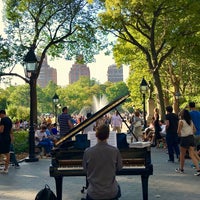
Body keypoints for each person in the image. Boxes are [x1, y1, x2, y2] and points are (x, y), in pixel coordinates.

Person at [83, 124, 122, 200]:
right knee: (117, 187)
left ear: (96, 135)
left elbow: (85, 170)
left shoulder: (87, 151)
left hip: (94, 193)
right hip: (111, 191)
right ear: (108, 136)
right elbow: (119, 168)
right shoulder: (115, 151)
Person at [175, 109, 200, 176]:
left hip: (184, 138)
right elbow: (194, 130)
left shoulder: (181, 121)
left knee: (182, 155)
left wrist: (181, 134)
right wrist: (189, 132)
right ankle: (198, 169)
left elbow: (178, 131)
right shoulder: (190, 121)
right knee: (192, 155)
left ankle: (181, 169)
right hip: (191, 138)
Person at [0, 110, 13, 174]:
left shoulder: (3, 120)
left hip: (2, 139)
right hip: (8, 138)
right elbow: (11, 130)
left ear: (2, 114)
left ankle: (4, 167)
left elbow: (1, 130)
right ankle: (6, 169)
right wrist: (12, 138)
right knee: (7, 153)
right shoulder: (9, 120)